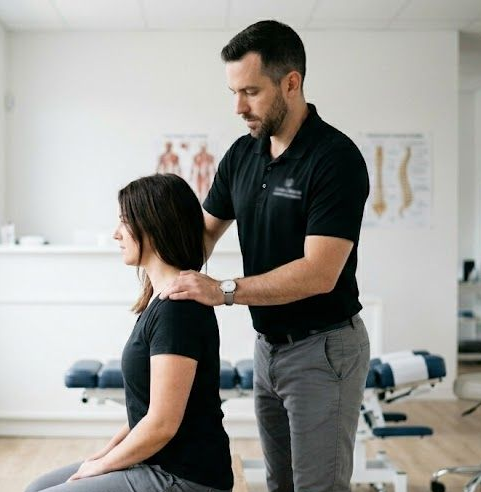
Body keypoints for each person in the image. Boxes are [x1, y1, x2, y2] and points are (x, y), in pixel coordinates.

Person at [161, 20, 372, 492]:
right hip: (268, 347)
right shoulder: (242, 155)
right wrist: (154, 254)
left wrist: (223, 291)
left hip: (324, 348)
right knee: (279, 484)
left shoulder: (335, 159)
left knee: (317, 487)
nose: (238, 107)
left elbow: (319, 273)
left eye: (251, 92)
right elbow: (203, 235)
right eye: (234, 92)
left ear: (291, 83)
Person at [26, 174, 233, 492]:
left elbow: (161, 425)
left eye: (124, 222)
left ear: (152, 226)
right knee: (38, 486)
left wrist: (101, 467)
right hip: (157, 464)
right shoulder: (160, 299)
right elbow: (145, 413)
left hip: (184, 477)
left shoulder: (179, 309)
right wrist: (102, 455)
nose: (116, 234)